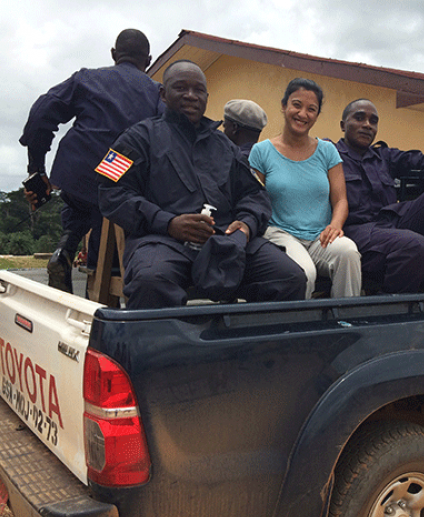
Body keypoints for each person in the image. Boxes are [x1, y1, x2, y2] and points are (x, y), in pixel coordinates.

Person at [96, 60, 306, 309]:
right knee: (151, 281)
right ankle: (166, 348)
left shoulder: (226, 145)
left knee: (289, 277)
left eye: (198, 90)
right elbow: (110, 192)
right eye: (181, 88)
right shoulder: (135, 138)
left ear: (207, 97)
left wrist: (247, 224)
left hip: (226, 242)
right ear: (163, 94)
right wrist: (168, 222)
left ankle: (257, 347)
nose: (191, 96)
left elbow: (254, 194)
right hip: (162, 242)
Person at [19, 29, 165, 293]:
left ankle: (65, 248)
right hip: (120, 175)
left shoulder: (87, 79)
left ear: (113, 54)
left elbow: (41, 113)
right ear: (149, 60)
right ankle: (98, 283)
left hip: (77, 169)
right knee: (108, 216)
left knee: (82, 205)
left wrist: (36, 169)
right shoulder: (157, 93)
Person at [337, 98, 424, 294]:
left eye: (373, 121)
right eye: (359, 118)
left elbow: (419, 158)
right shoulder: (329, 153)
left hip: (391, 223)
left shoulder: (385, 156)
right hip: (356, 231)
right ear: (343, 125)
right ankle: (392, 305)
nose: (367, 125)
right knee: (415, 245)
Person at [249, 78, 362, 299]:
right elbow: (252, 199)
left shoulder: (327, 151)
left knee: (348, 253)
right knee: (305, 272)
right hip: (280, 234)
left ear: (317, 115)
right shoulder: (261, 151)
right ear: (284, 106)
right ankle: (303, 329)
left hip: (320, 235)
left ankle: (346, 321)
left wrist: (335, 225)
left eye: (312, 109)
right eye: (297, 105)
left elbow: (340, 200)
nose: (303, 114)